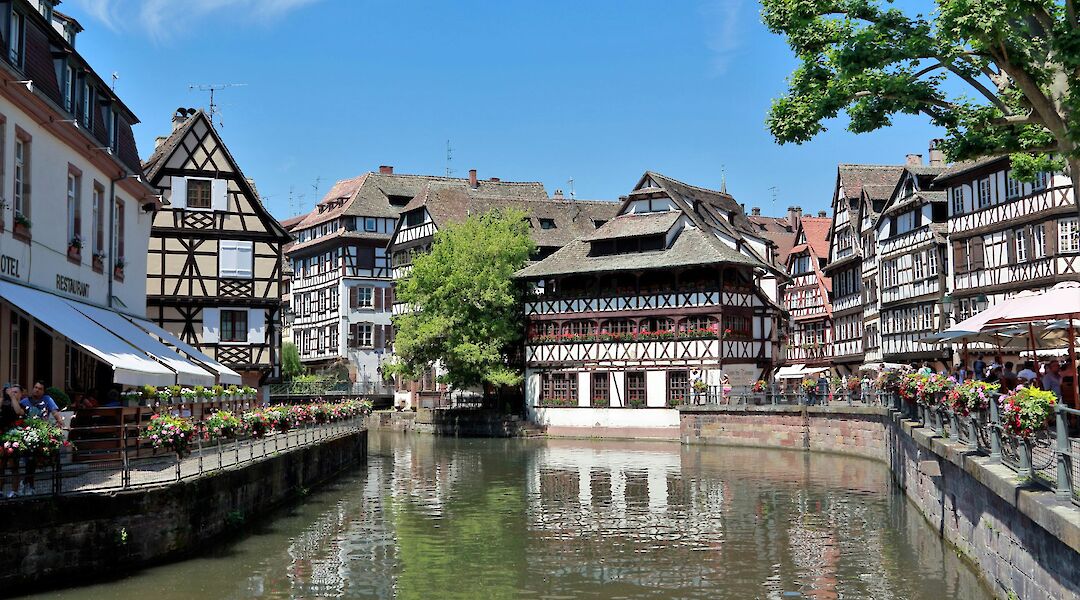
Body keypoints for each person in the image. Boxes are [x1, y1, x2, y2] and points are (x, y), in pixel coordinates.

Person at [19, 381, 64, 496]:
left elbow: (55, 412)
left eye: (39, 388)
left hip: (41, 433)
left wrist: (60, 422)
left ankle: (27, 484)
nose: (36, 390)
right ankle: (28, 485)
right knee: (30, 460)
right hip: (26, 434)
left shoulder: (47, 400)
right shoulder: (24, 401)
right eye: (35, 387)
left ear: (43, 391)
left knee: (32, 460)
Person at [1, 384, 25, 498]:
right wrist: (2, 397)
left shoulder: (22, 405)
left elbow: (17, 411)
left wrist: (12, 398)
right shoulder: (4, 404)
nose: (13, 393)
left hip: (14, 436)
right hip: (2, 435)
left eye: (16, 392)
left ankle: (14, 491)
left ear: (21, 394)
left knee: (13, 466)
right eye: (11, 391)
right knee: (1, 465)